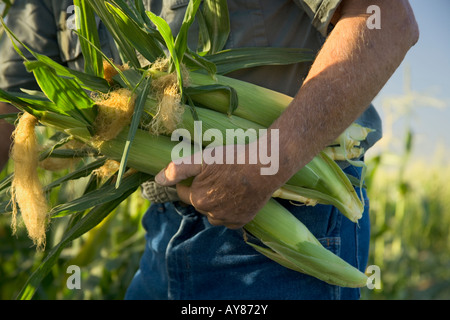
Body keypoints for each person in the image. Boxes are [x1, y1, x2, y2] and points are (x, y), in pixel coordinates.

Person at [0, 0, 419, 299]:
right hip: (165, 225)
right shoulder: (34, 8)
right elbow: (10, 103)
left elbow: (386, 22)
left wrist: (267, 162)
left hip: (288, 208)